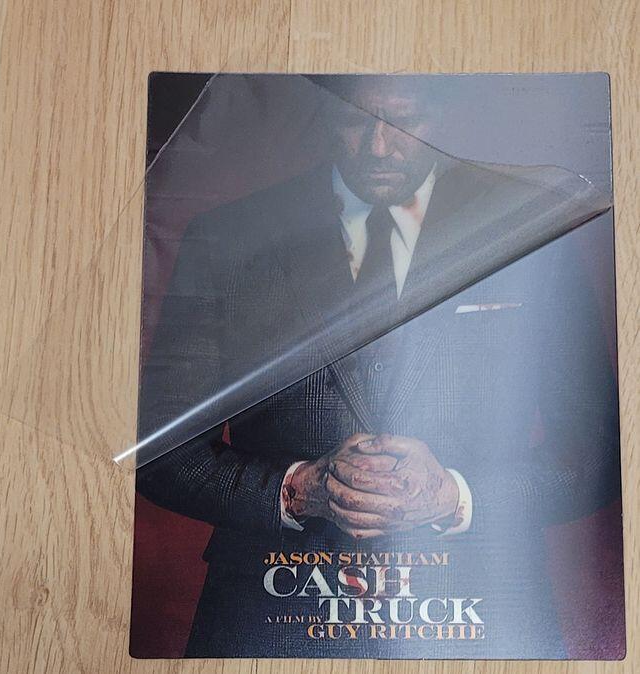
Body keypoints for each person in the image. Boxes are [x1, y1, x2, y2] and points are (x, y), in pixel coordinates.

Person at [135, 75, 620, 658]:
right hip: (271, 606)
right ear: (324, 118)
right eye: (355, 121)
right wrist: (297, 491)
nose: (379, 147)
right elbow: (160, 452)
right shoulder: (230, 237)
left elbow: (594, 456)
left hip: (482, 605)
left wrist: (453, 496)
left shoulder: (529, 225)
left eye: (405, 121)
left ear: (440, 120)